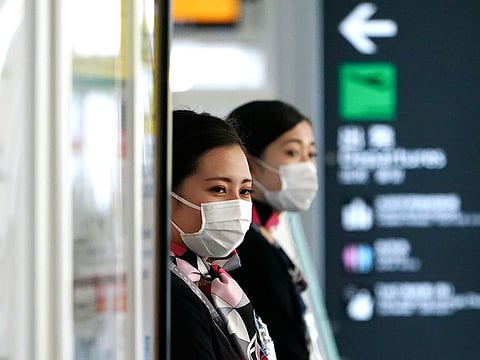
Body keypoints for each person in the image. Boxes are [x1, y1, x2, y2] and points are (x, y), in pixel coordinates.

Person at [170, 109, 276, 360]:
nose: (236, 204)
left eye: (245, 191)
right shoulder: (170, 293)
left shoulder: (214, 279)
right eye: (219, 189)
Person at [226, 100, 318, 360]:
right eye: (292, 153)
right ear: (250, 164)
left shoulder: (267, 234)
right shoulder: (243, 244)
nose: (306, 166)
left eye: (311, 154)